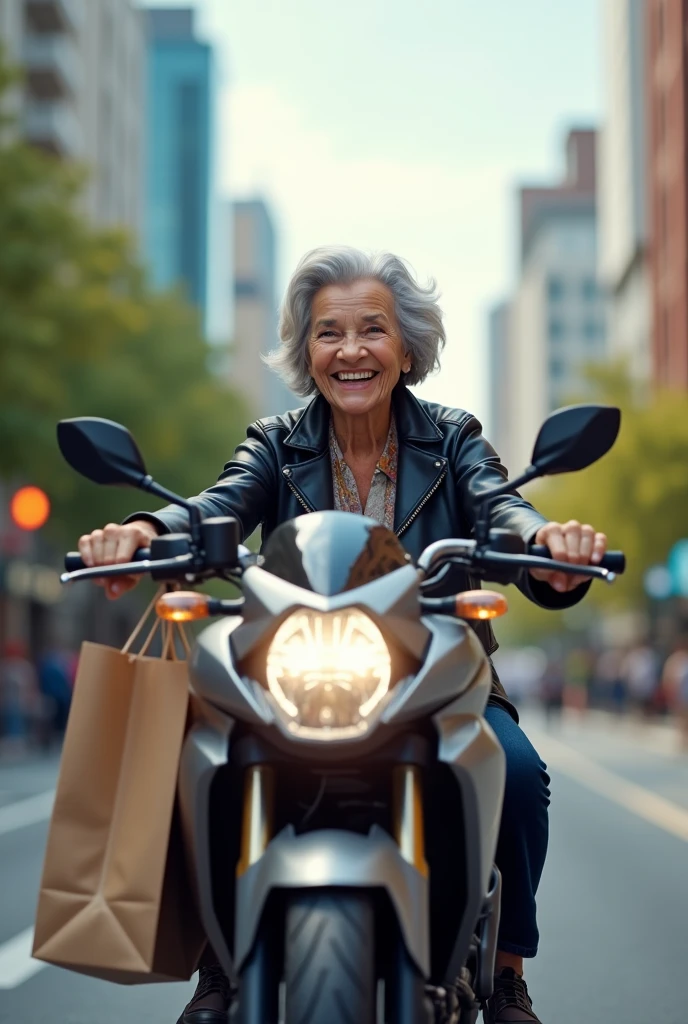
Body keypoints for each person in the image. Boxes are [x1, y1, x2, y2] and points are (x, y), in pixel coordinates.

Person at [78, 247, 608, 1024]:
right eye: (329, 333)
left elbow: (500, 508)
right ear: (306, 350)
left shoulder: (453, 438)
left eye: (373, 330)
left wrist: (545, 546)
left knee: (520, 774)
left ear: (406, 348)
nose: (351, 350)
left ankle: (507, 972)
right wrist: (144, 528)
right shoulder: (276, 442)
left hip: (435, 669)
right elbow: (217, 503)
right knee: (201, 755)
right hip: (294, 666)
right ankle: (220, 962)